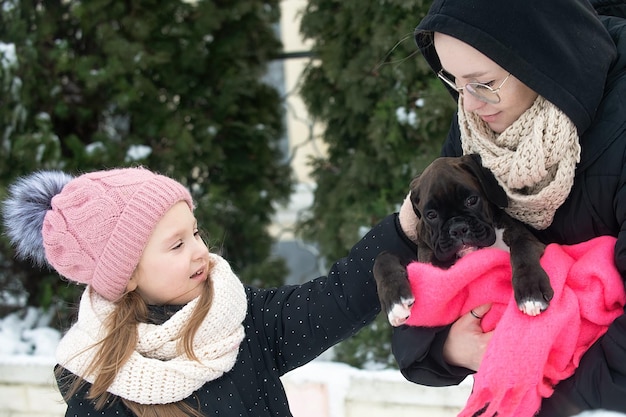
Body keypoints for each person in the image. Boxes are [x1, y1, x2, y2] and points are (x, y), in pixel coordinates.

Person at [0, 166, 417, 417]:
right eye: (177, 244)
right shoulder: (97, 380)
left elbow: (338, 298)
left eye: (195, 232)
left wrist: (409, 225)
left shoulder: (243, 319)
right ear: (125, 275)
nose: (201, 250)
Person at [391, 0, 626, 415]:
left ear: (542, 59)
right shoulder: (482, 128)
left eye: (482, 82)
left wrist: (544, 392)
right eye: (455, 82)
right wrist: (446, 348)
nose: (467, 103)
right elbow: (427, 258)